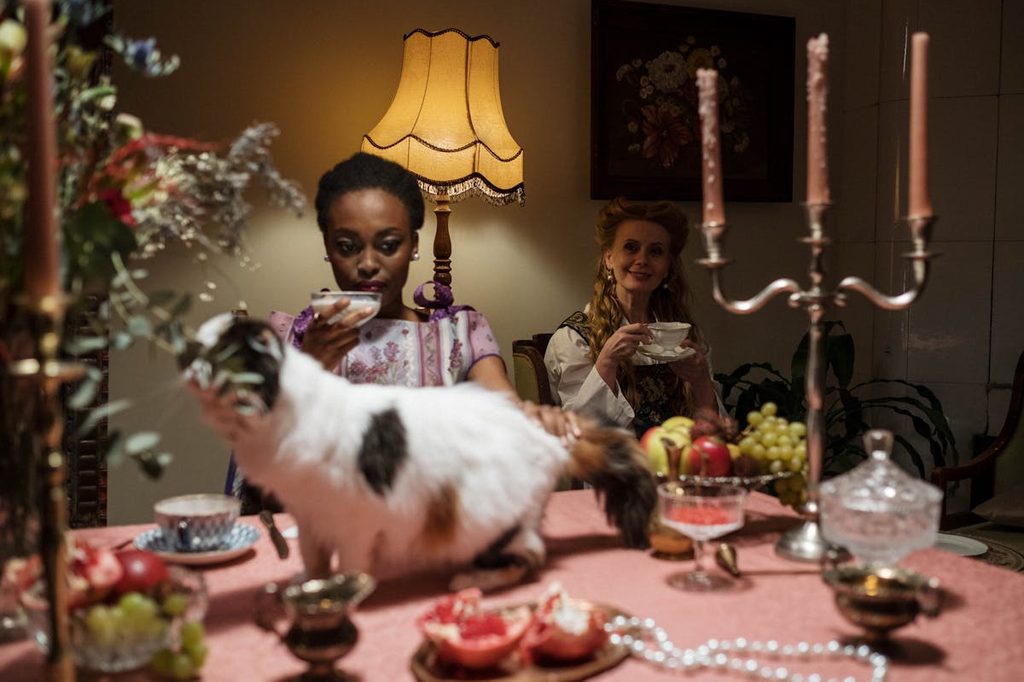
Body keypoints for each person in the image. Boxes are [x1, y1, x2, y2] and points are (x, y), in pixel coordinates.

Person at [224, 152, 575, 510]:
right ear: (328, 246)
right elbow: (264, 488)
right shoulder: (292, 340)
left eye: (388, 245)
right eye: (347, 247)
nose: (368, 264)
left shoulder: (459, 334)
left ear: (414, 245)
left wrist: (536, 424)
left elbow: (510, 424)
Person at [544, 197, 720, 438]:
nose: (642, 260)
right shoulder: (574, 338)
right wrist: (606, 362)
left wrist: (700, 381)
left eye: (655, 251)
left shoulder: (684, 337)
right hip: (616, 461)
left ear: (667, 266)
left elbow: (714, 435)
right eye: (630, 247)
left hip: (681, 458)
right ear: (609, 257)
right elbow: (579, 435)